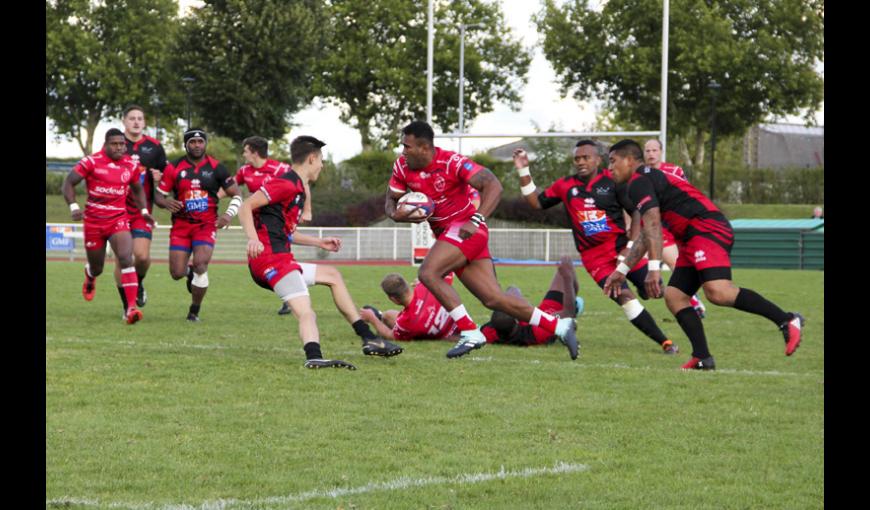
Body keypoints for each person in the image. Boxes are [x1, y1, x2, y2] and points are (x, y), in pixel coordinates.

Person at [604, 139, 804, 370]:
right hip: (692, 236)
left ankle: (787, 320)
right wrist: (621, 271)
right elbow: (646, 233)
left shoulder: (639, 181)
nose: (609, 168)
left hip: (706, 229)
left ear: (630, 160)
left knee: (718, 292)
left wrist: (654, 269)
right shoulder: (644, 179)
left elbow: (652, 224)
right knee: (675, 296)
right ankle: (702, 357)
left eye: (613, 161)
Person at [386, 120, 579, 360]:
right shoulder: (402, 166)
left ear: (425, 148)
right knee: (493, 298)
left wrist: (476, 219)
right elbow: (391, 201)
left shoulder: (451, 162)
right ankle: (560, 327)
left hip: (467, 230)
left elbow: (493, 185)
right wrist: (398, 215)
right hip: (450, 237)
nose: (403, 151)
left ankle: (470, 332)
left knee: (428, 273)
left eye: (408, 146)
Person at [233, 136, 402, 356]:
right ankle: (315, 357)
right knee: (306, 313)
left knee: (332, 275)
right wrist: (252, 238)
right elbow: (245, 206)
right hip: (271, 260)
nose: (322, 165)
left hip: (278, 258)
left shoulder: (297, 188)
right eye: (321, 160)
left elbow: (286, 233)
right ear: (312, 158)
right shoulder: (284, 182)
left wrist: (319, 242)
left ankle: (368, 338)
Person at [512, 141, 678, 354]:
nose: (581, 162)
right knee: (624, 298)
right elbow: (536, 202)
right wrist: (523, 169)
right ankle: (665, 342)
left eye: (586, 157)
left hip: (621, 249)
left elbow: (636, 211)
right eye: (577, 159)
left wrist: (629, 246)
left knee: (653, 289)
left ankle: (652, 292)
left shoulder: (613, 182)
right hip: (595, 259)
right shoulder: (565, 186)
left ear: (598, 160)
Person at [62, 128, 154, 324]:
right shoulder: (91, 162)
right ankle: (90, 274)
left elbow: (137, 189)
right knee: (98, 267)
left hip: (118, 219)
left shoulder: (130, 164)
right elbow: (68, 183)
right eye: (115, 144)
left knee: (126, 259)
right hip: (94, 222)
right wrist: (74, 206)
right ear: (105, 144)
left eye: (122, 144)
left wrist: (144, 212)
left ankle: (130, 308)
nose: (119, 147)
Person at [154, 128, 242, 322]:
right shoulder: (174, 167)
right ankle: (189, 273)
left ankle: (194, 311)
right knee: (176, 273)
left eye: (200, 142)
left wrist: (228, 214)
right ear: (186, 144)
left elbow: (236, 193)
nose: (196, 145)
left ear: (205, 144)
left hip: (205, 225)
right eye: (192, 142)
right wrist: (166, 202)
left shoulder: (216, 167)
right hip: (181, 226)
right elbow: (158, 195)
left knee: (201, 263)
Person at [111, 105, 169, 315]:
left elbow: (165, 176)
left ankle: (139, 283)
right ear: (124, 121)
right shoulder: (114, 144)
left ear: (144, 123)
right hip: (116, 210)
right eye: (132, 118)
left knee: (142, 257)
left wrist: (159, 178)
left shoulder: (154, 147)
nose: (136, 122)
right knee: (121, 258)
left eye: (140, 118)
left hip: (142, 211)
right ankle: (127, 305)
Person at [642, 138, 706, 318]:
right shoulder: (640, 175)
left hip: (670, 224)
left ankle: (692, 300)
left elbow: (685, 194)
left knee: (675, 263)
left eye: (654, 150)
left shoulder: (674, 171)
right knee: (635, 265)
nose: (651, 154)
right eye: (647, 151)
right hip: (650, 226)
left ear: (661, 152)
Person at [481, 256, 583, 347]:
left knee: (512, 290)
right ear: (517, 319)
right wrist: (567, 277)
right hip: (542, 319)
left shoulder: (489, 332)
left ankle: (527, 307)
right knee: (565, 269)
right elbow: (568, 312)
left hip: (528, 321)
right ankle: (576, 306)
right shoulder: (538, 332)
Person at [359, 273, 460, 341]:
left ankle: (377, 316)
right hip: (460, 326)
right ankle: (380, 315)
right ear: (407, 285)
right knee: (388, 315)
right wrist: (422, 283)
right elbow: (448, 273)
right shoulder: (427, 285)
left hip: (448, 335)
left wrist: (372, 319)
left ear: (393, 299)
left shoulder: (406, 322)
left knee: (390, 318)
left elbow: (390, 335)